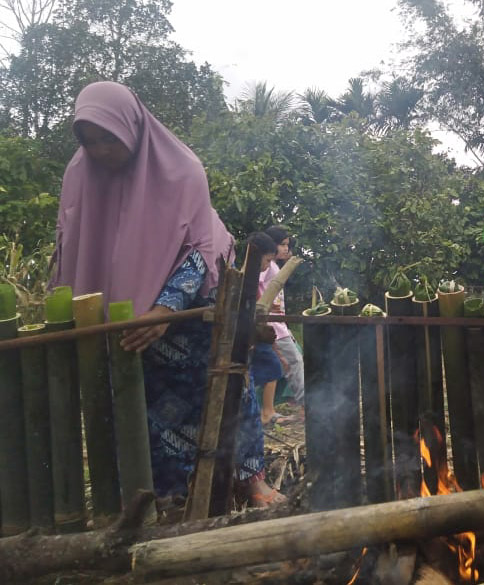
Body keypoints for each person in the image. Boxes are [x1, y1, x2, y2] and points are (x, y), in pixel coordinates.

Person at [51, 81, 283, 507]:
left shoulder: (182, 170)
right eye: (90, 141)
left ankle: (251, 482)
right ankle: (163, 498)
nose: (100, 150)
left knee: (231, 388)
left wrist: (162, 311)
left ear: (134, 128)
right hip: (124, 327)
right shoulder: (79, 174)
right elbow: (68, 244)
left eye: (110, 138)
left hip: (189, 320)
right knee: (145, 415)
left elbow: (200, 248)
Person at [247, 232, 292, 426]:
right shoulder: (247, 279)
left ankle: (261, 410)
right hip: (251, 336)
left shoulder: (251, 278)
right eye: (266, 260)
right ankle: (266, 412)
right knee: (274, 367)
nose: (267, 265)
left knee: (263, 371)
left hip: (257, 334)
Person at [261, 225, 305, 406]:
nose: (286, 248)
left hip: (277, 325)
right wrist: (266, 304)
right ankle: (305, 404)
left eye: (287, 245)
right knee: (294, 361)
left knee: (278, 365)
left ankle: (271, 407)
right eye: (282, 244)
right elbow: (256, 287)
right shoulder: (269, 266)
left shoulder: (274, 266)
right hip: (274, 327)